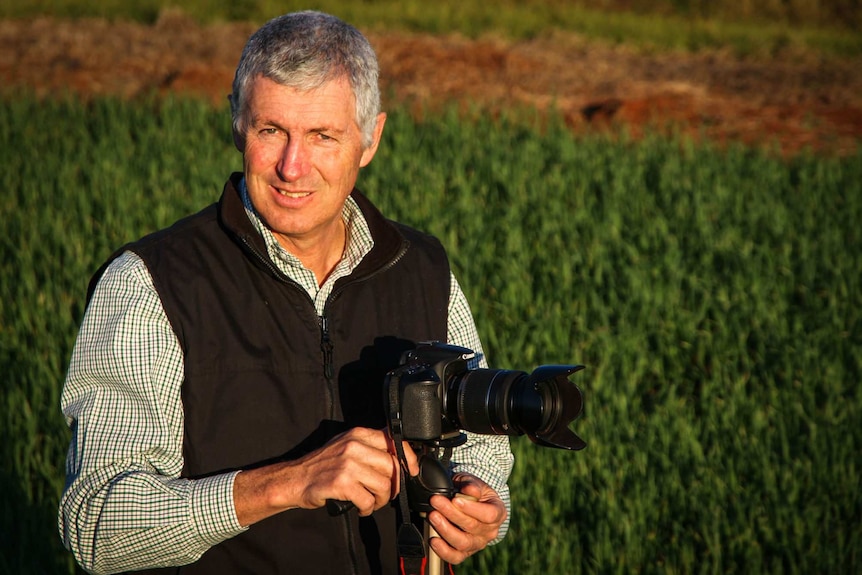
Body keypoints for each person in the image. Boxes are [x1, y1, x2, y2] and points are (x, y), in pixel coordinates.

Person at [58, 10, 513, 575]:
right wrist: (290, 483)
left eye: (323, 136)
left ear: (370, 140)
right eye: (271, 131)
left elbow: (484, 449)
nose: (291, 167)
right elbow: (97, 526)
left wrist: (485, 512)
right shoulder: (152, 282)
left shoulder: (421, 268)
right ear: (237, 125)